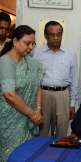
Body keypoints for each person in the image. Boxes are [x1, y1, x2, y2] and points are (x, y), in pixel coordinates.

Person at [0, 25, 44, 162]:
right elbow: (9, 95)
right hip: (10, 120)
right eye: (27, 43)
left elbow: (38, 87)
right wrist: (32, 114)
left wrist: (38, 110)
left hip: (29, 119)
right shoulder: (6, 61)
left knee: (28, 155)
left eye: (33, 43)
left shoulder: (30, 63)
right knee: (12, 155)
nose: (31, 47)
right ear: (15, 41)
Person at [33, 21, 78, 137]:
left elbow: (74, 80)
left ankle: (59, 154)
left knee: (61, 132)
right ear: (45, 35)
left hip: (62, 95)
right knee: (41, 131)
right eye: (52, 35)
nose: (56, 38)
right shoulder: (36, 53)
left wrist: (72, 104)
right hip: (43, 94)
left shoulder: (70, 54)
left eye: (59, 34)